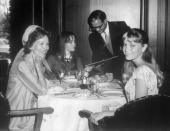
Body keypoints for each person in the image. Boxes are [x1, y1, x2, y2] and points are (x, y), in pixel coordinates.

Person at [89, 28, 164, 125]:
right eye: (125, 45)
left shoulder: (142, 71)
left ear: (144, 47)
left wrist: (106, 113)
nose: (126, 49)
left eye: (132, 45)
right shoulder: (140, 68)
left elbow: (139, 111)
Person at [6, 25, 49, 131]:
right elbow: (43, 91)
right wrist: (39, 67)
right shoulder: (22, 64)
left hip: (30, 107)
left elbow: (44, 83)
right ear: (31, 46)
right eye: (41, 44)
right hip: (21, 115)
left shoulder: (33, 58)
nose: (46, 47)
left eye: (47, 44)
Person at [87, 10, 130, 79]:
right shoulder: (92, 37)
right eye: (94, 28)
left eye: (99, 26)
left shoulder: (121, 26)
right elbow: (96, 56)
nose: (97, 30)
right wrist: (94, 68)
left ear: (105, 21)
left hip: (126, 68)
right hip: (108, 72)